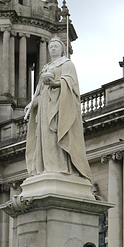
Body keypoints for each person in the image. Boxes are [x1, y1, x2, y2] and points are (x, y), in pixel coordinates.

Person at [24, 37, 91, 180]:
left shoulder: (67, 64)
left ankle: (59, 166)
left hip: (59, 105)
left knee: (56, 134)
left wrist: (55, 83)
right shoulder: (46, 68)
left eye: (56, 46)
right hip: (44, 106)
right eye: (51, 46)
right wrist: (32, 103)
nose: (53, 48)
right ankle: (47, 166)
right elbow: (39, 91)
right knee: (44, 137)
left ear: (62, 49)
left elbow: (71, 83)